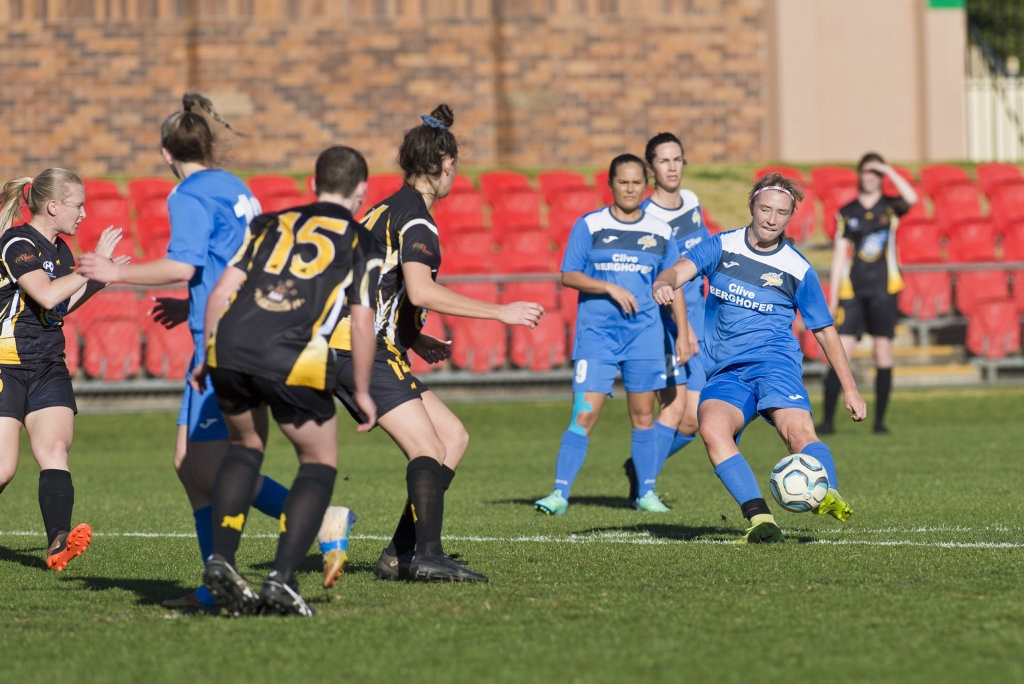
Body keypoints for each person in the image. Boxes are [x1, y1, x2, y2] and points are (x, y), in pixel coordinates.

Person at [76, 92, 295, 608]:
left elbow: (185, 264)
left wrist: (115, 272)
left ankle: (310, 515)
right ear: (211, 144)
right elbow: (226, 264)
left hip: (221, 342)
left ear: (165, 154)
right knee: (186, 464)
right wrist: (189, 305)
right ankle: (211, 587)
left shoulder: (188, 194)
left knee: (214, 468)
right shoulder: (236, 187)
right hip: (236, 328)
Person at [332, 104, 545, 583]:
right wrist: (501, 311)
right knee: (427, 448)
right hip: (360, 350)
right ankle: (427, 555)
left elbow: (381, 286)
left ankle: (397, 554)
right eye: (455, 167)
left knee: (453, 437)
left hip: (363, 344)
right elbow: (421, 290)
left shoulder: (385, 208)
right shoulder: (417, 220)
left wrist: (413, 335)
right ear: (445, 165)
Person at [194, 144, 376, 617]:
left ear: (313, 184)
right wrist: (360, 390)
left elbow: (222, 290)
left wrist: (206, 353)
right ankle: (282, 578)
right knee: (318, 461)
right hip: (292, 352)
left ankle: (222, 562)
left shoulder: (268, 223)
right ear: (361, 191)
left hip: (230, 344)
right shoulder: (360, 239)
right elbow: (361, 321)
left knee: (245, 448)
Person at [651, 172, 866, 543]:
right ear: (751, 206)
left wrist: (850, 388)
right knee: (712, 428)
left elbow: (824, 329)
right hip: (727, 371)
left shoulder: (798, 268)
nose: (771, 218)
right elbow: (679, 269)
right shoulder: (722, 246)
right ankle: (760, 520)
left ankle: (825, 491)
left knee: (797, 433)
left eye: (781, 213)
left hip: (775, 364)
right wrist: (664, 281)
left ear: (790, 216)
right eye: (765, 209)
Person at [534, 153, 685, 516]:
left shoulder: (662, 232)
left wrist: (682, 332)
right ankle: (559, 494)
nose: (630, 189)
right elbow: (569, 274)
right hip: (597, 336)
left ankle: (645, 493)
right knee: (583, 414)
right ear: (611, 184)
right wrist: (608, 288)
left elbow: (673, 282)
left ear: (645, 186)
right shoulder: (590, 225)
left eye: (636, 183)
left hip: (645, 335)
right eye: (623, 182)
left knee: (643, 415)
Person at [0, 168, 128, 570]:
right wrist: (88, 271)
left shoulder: (61, 251)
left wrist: (97, 282)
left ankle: (58, 543)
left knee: (55, 449)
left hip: (48, 365)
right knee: (3, 468)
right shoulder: (17, 243)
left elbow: (60, 305)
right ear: (53, 206)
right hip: (5, 367)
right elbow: (46, 291)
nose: (84, 214)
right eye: (78, 205)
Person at [621, 132, 710, 511]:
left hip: (701, 321)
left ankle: (638, 468)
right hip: (666, 327)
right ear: (651, 167)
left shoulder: (691, 202)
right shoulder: (647, 218)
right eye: (664, 161)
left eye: (678, 159)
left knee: (693, 420)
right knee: (674, 411)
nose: (672, 167)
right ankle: (645, 486)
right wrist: (681, 330)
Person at [818, 152, 918, 435]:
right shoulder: (847, 211)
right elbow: (839, 255)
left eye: (877, 173)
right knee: (840, 354)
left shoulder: (891, 207)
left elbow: (912, 198)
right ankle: (826, 421)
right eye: (867, 171)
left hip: (885, 290)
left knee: (882, 353)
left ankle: (879, 422)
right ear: (859, 175)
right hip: (853, 292)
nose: (871, 177)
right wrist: (834, 297)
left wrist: (888, 168)